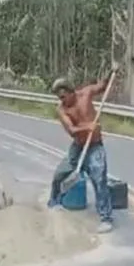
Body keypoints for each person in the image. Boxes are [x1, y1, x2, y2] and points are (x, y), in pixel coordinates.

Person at [48, 68, 117, 232]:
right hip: (78, 146)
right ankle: (54, 201)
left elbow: (102, 86)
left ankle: (106, 217)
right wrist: (88, 126)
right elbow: (72, 130)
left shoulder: (85, 94)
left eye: (63, 96)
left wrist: (110, 73)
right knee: (60, 173)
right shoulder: (62, 110)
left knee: (99, 177)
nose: (62, 100)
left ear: (71, 92)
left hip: (95, 145)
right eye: (59, 98)